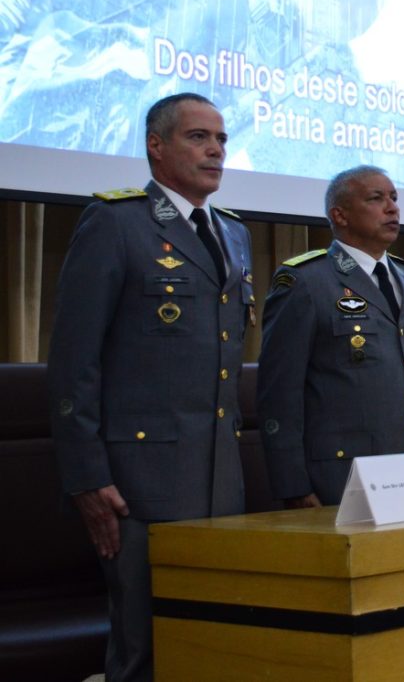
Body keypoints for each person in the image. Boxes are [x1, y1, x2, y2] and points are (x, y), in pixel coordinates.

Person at [48, 93, 253, 682]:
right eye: (197, 137)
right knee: (144, 654)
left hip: (219, 478)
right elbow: (73, 363)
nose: (214, 150)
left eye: (220, 139)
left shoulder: (233, 234)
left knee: (210, 648)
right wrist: (87, 477)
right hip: (139, 484)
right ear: (155, 147)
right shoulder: (117, 223)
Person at [256, 165, 404, 507]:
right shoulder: (307, 281)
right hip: (342, 476)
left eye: (394, 198)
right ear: (340, 214)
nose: (392, 208)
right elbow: (279, 392)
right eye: (376, 198)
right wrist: (292, 484)